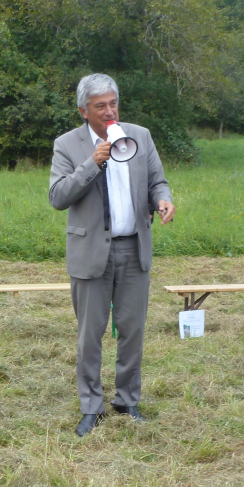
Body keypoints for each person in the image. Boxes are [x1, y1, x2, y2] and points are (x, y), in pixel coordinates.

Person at [49, 73, 175, 436]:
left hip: (133, 249)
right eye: (100, 106)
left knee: (132, 330)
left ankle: (126, 400)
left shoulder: (141, 135)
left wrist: (162, 200)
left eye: (113, 104)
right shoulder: (67, 145)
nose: (109, 112)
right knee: (90, 334)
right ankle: (91, 406)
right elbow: (58, 197)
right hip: (90, 253)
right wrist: (93, 162)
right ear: (83, 110)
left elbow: (157, 181)